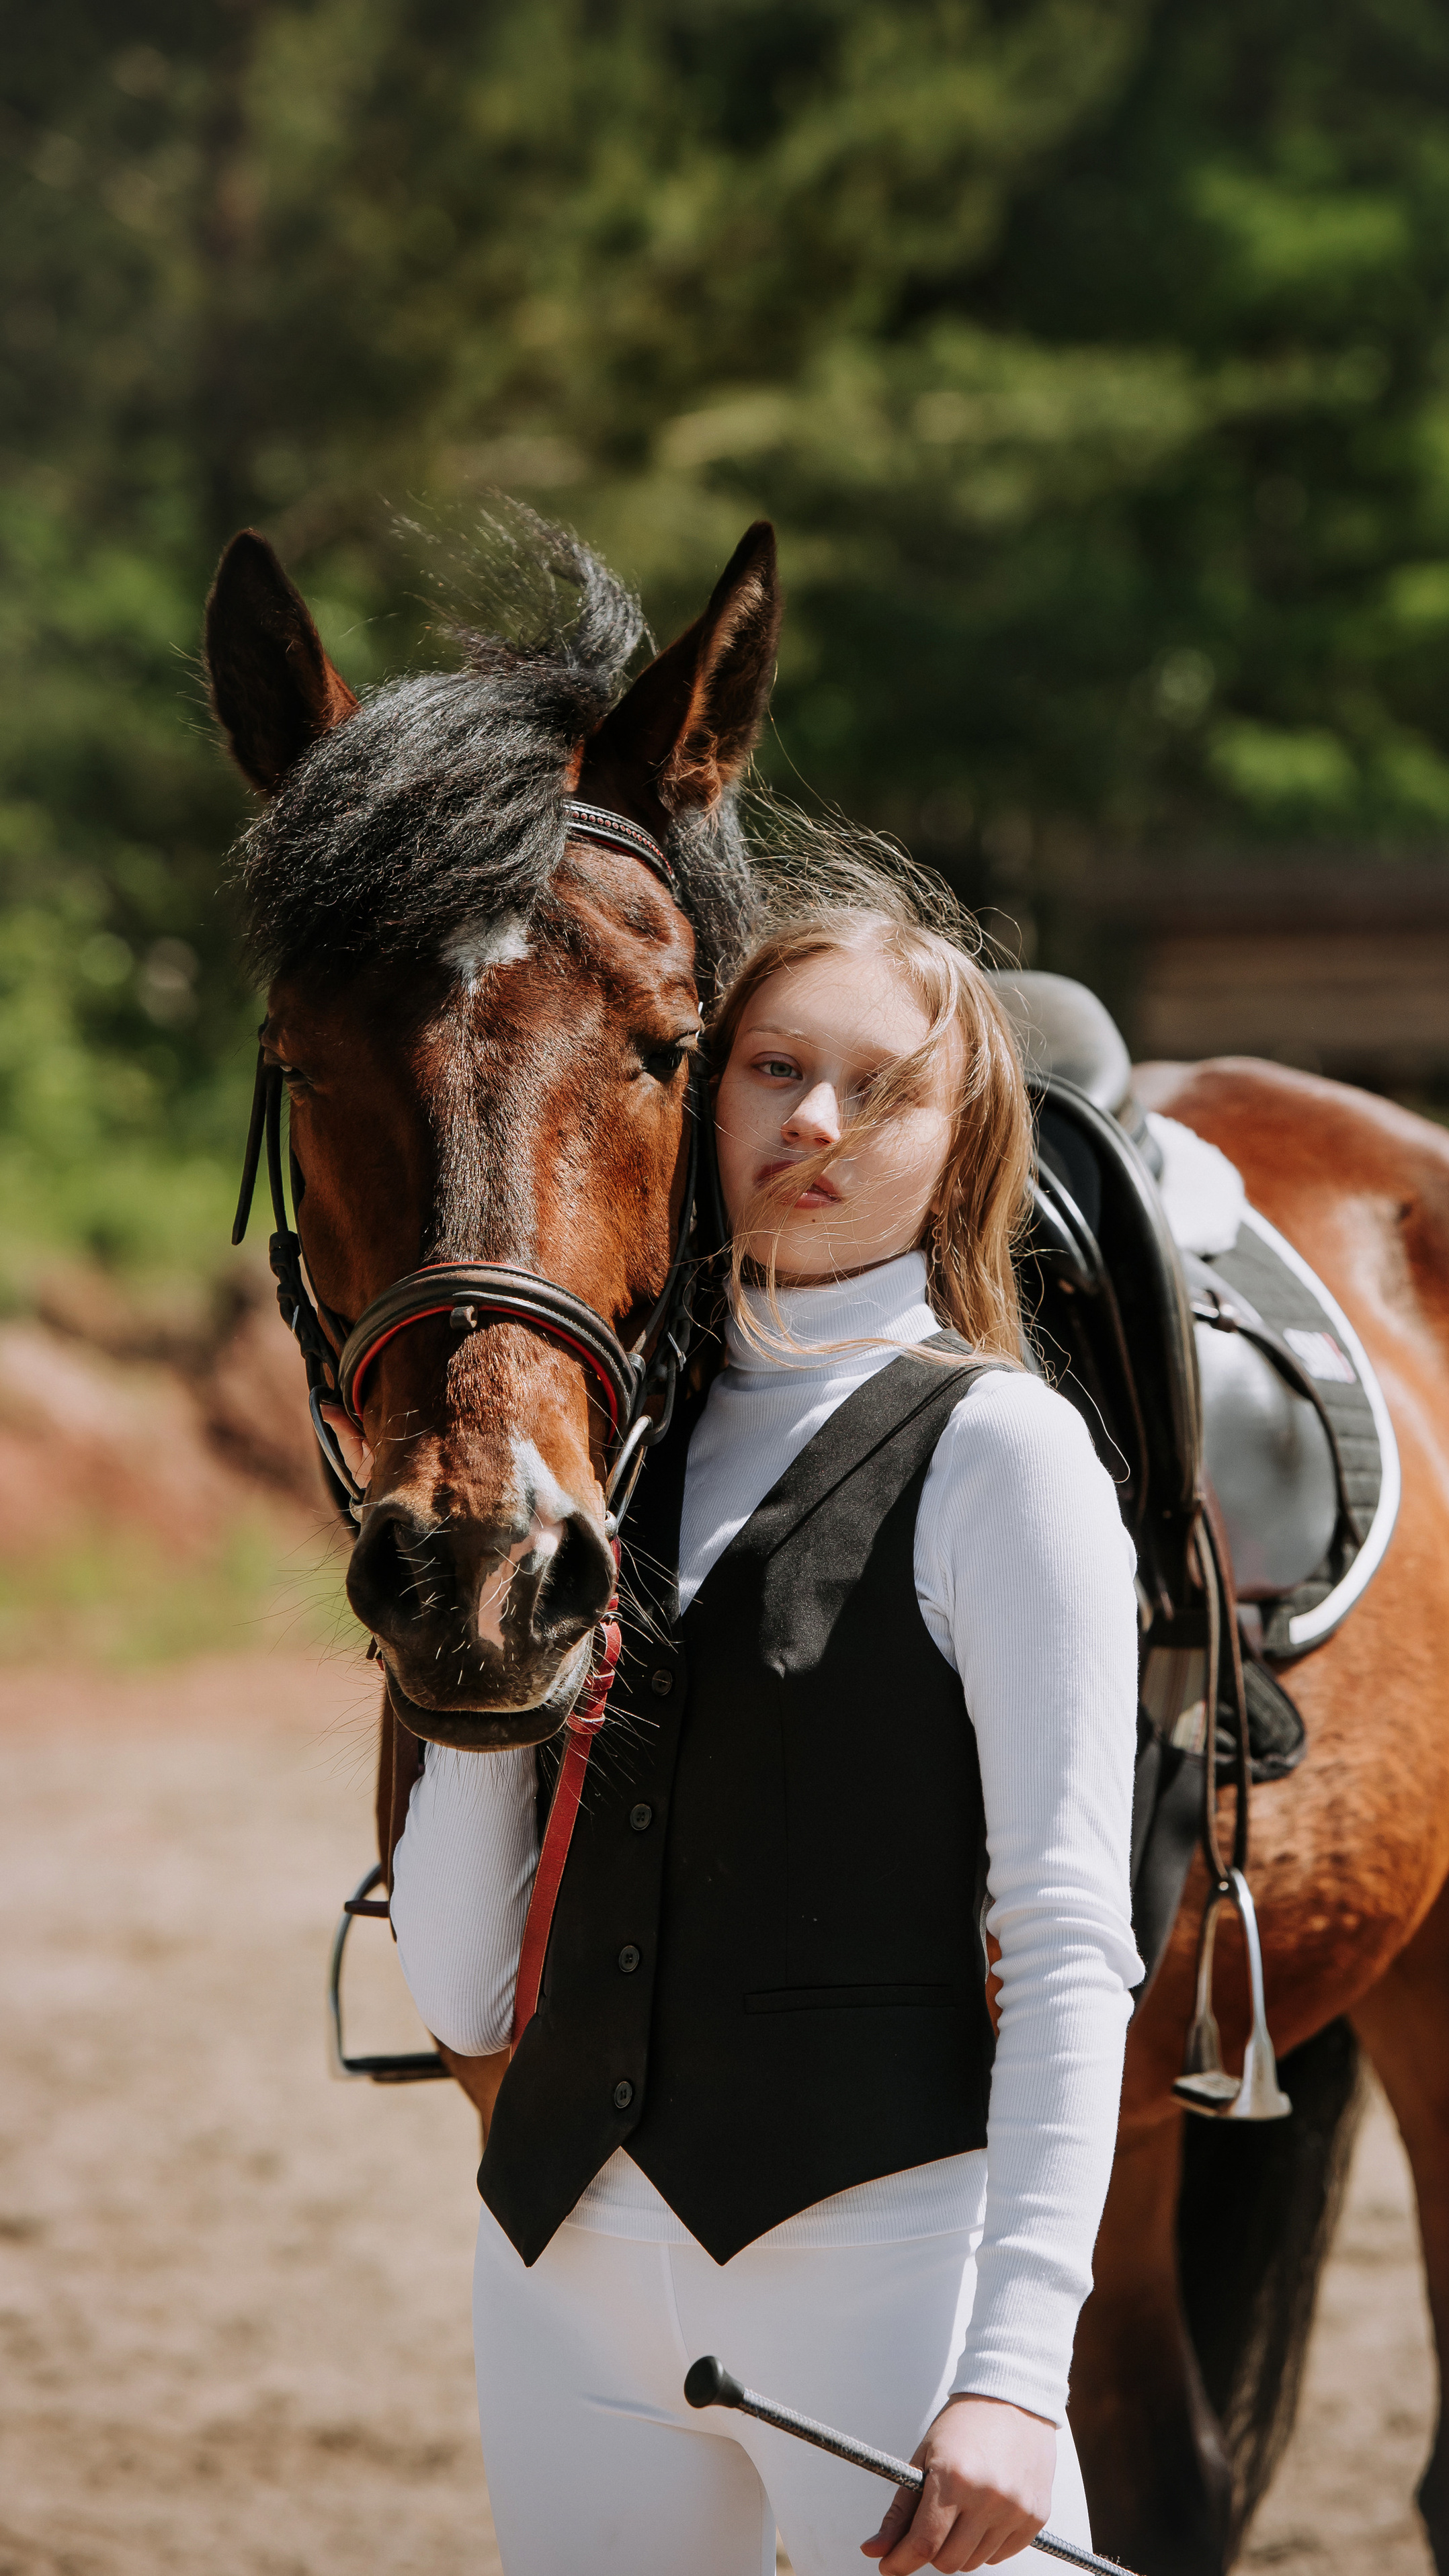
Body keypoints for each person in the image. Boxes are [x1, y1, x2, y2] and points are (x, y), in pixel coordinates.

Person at [389, 885, 1145, 2576]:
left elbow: (1067, 1941)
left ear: (960, 1150)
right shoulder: (592, 1467)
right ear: (700, 1096)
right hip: (558, 2287)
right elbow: (456, 1990)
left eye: (877, 1089)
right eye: (771, 1067)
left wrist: (1015, 2378)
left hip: (888, 2282)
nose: (811, 1121)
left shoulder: (1000, 1456)